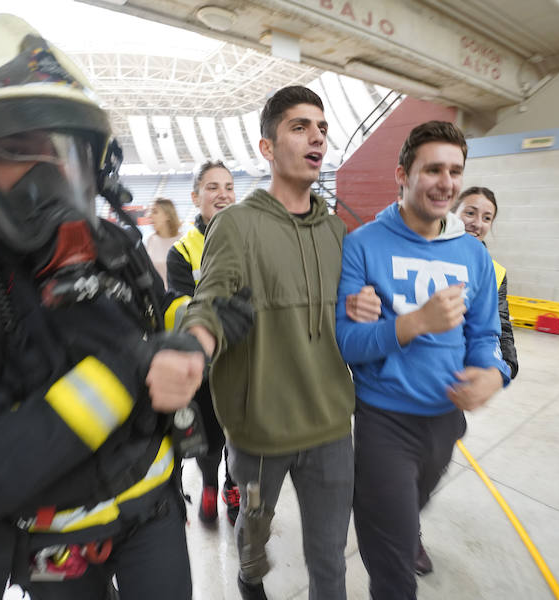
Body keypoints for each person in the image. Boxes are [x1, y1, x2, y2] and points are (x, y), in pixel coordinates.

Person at [0, 15, 249, 600]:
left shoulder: (112, 246)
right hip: (54, 547)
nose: (50, 174)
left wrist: (204, 322)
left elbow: (155, 313)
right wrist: (131, 370)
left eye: (63, 150)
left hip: (154, 511)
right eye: (18, 147)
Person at [180, 85, 378, 600]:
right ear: (267, 147)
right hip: (260, 431)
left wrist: (361, 311)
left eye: (322, 128)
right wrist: (195, 344)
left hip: (331, 424)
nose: (317, 137)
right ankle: (249, 578)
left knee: (330, 562)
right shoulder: (235, 225)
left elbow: (352, 317)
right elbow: (208, 303)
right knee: (255, 536)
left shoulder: (338, 232)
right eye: (300, 126)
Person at [335, 121, 511, 599]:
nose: (446, 182)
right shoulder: (363, 245)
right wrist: (414, 323)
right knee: (393, 573)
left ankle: (403, 527)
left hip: (445, 421)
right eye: (432, 168)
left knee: (410, 510)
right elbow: (347, 343)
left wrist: (493, 374)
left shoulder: (473, 253)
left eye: (454, 170)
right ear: (402, 174)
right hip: (385, 422)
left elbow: (486, 336)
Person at [166, 160, 240, 524]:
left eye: (228, 186)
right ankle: (210, 484)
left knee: (240, 437)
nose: (223, 194)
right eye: (213, 187)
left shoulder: (249, 241)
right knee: (209, 438)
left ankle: (232, 483)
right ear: (196, 197)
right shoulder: (181, 253)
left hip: (244, 364)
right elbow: (185, 311)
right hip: (207, 368)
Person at [453, 186, 518, 379]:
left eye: (487, 218)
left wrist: (506, 365)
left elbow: (501, 323)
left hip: (458, 373)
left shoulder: (496, 272)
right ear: (451, 212)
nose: (477, 223)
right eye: (470, 213)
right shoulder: (425, 253)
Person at [144, 197, 182, 284]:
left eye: (155, 212)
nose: (149, 215)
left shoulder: (183, 241)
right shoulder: (149, 240)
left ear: (168, 215)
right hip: (157, 295)